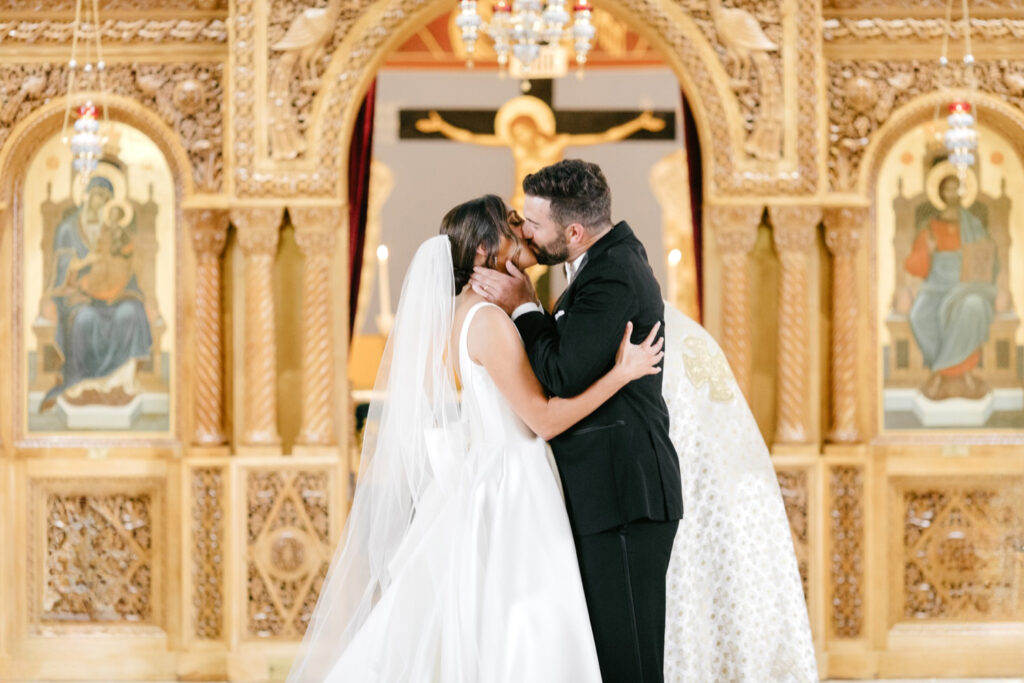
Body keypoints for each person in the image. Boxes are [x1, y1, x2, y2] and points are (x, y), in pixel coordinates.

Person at [287, 194, 664, 682]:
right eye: (512, 227)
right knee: (526, 628)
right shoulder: (489, 323)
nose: (523, 233)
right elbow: (543, 421)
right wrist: (621, 374)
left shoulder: (456, 314)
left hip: (486, 475)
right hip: (515, 485)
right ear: (487, 249)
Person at [470, 159, 682, 682]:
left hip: (623, 496)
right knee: (607, 659)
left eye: (534, 225)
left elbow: (561, 373)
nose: (525, 232)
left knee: (628, 662)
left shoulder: (614, 275)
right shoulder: (600, 263)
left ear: (573, 231)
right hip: (604, 493)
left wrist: (524, 307)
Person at [40, 176, 152, 412]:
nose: (101, 202)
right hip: (79, 294)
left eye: (106, 198)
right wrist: (80, 265)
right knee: (84, 320)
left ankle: (121, 381)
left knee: (132, 312)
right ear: (87, 195)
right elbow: (60, 267)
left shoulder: (114, 230)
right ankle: (81, 381)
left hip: (114, 292)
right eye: (98, 195)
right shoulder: (68, 228)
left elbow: (127, 262)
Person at [904, 173, 998, 400]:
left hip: (968, 286)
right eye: (947, 189)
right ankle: (941, 367)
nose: (952, 194)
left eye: (956, 189)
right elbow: (915, 266)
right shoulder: (930, 226)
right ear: (940, 193)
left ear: (962, 192)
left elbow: (988, 259)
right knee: (918, 316)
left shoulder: (973, 225)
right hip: (935, 286)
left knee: (972, 308)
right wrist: (927, 249)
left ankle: (948, 372)